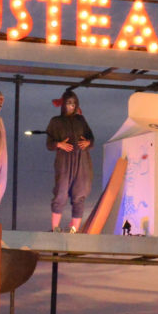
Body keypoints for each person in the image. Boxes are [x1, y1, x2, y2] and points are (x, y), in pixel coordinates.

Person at [46, 88, 95, 230]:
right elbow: (49, 144)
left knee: (79, 193)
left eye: (74, 103)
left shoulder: (81, 120)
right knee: (61, 192)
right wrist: (59, 144)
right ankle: (55, 227)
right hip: (64, 161)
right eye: (68, 103)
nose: (71, 106)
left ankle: (74, 228)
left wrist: (88, 143)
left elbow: (91, 137)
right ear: (63, 104)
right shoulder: (56, 121)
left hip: (82, 160)